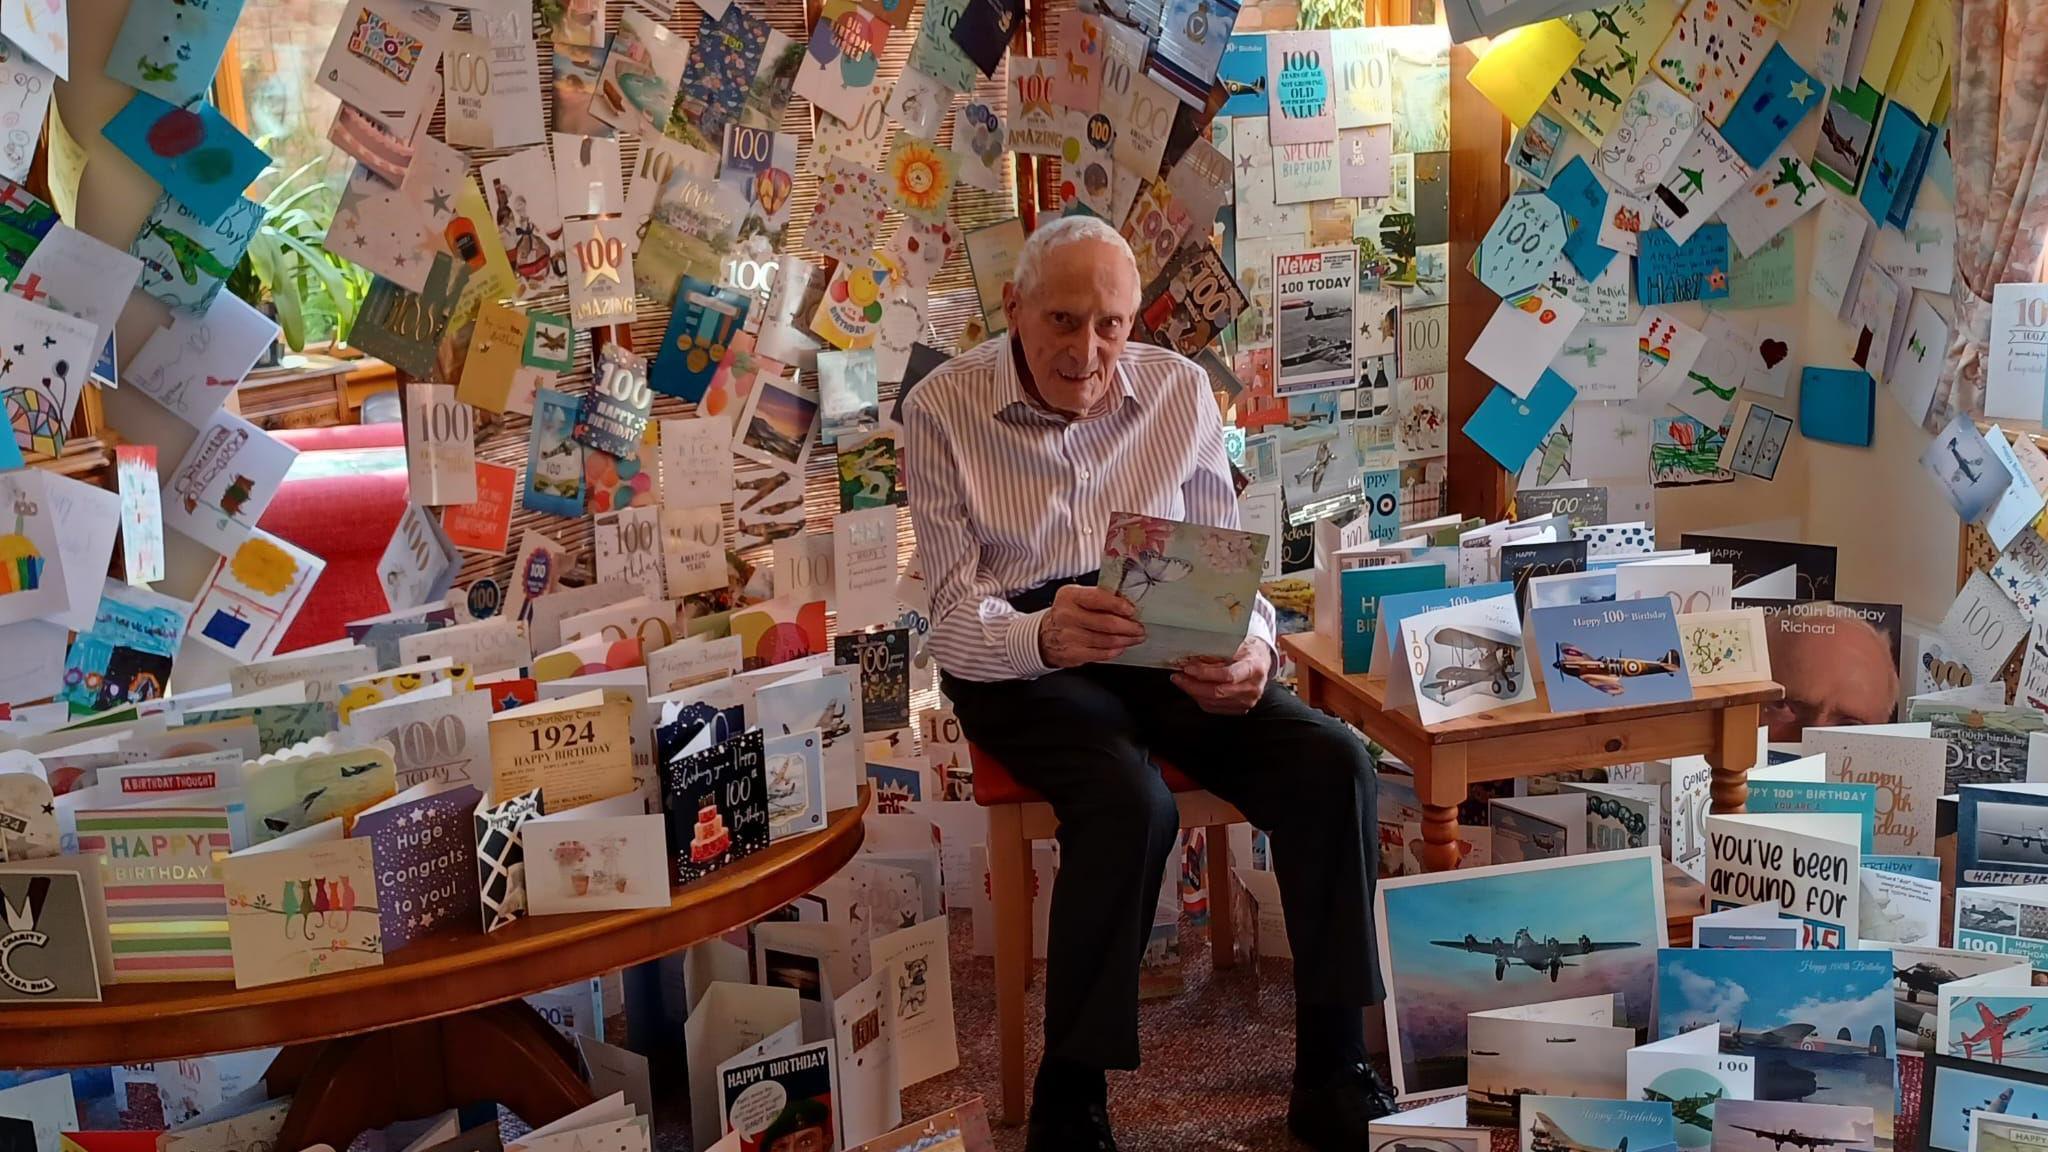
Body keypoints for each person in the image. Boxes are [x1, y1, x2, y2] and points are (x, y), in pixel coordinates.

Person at [902, 216, 1388, 1152]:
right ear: (1013, 308)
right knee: (1129, 802)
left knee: (1333, 765)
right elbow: (955, 621)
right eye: (1062, 321)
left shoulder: (1179, 391)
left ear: (1135, 321)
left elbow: (1229, 560)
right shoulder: (942, 407)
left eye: (1112, 325)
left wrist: (1254, 648)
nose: (1087, 353)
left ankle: (1333, 1068)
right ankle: (1070, 1096)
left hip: (1162, 618)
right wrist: (1044, 633)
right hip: (1020, 646)